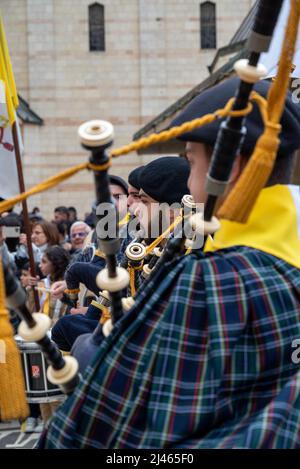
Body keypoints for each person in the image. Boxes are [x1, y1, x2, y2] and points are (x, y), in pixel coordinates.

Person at [38, 77, 300, 449]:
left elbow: (99, 422)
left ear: (230, 167)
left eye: (192, 162)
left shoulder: (207, 280)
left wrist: (91, 353)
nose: (189, 185)